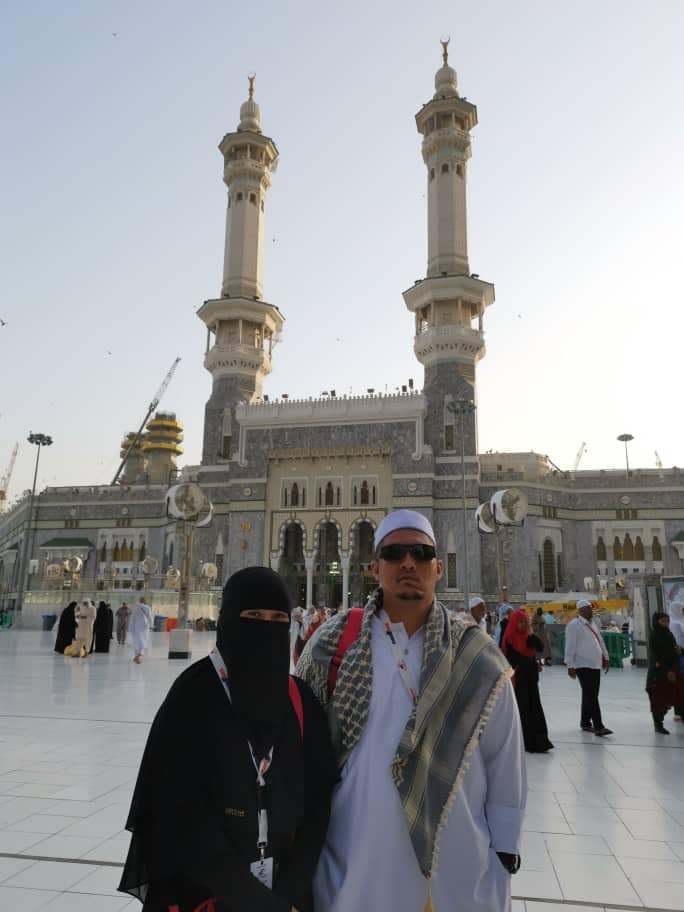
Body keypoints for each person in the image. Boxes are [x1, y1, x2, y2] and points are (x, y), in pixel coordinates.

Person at [296, 509, 527, 912]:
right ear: (375, 568)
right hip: (352, 862)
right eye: (394, 553)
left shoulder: (476, 657)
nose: (408, 563)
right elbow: (298, 744)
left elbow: (504, 757)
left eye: (420, 553)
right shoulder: (332, 644)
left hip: (456, 867)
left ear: (438, 568)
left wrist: (506, 846)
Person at [119, 566, 336, 912]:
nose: (266, 627)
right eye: (253, 616)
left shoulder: (299, 701)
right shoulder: (193, 696)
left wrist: (291, 892)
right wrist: (259, 904)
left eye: (278, 618)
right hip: (206, 896)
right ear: (229, 620)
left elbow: (318, 805)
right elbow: (181, 818)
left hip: (287, 894)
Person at [501, 609, 553, 753]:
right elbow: (510, 660)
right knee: (522, 708)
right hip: (519, 680)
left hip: (531, 678)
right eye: (520, 621)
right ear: (514, 622)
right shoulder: (510, 638)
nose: (524, 624)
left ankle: (540, 741)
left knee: (535, 707)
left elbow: (540, 648)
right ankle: (524, 741)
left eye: (525, 621)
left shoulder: (528, 636)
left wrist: (534, 639)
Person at [564, 599, 612, 736]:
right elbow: (570, 646)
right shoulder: (574, 625)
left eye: (591, 608)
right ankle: (599, 726)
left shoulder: (592, 623)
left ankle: (585, 722)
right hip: (582, 665)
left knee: (590, 695)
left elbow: (600, 640)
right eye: (588, 608)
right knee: (592, 696)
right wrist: (570, 665)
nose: (591, 610)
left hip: (595, 664)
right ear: (581, 610)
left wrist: (606, 657)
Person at [646, 611, 682, 734]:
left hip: (672, 670)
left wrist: (680, 651)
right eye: (663, 621)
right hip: (659, 672)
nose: (666, 623)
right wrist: (667, 670)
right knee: (658, 699)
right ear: (656, 622)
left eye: (667, 621)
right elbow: (656, 656)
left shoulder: (668, 633)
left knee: (672, 696)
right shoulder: (654, 635)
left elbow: (673, 649)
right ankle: (658, 725)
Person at [668, 601, 684, 720]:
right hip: (680, 656)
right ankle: (679, 712)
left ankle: (678, 712)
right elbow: (680, 641)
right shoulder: (676, 623)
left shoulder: (677, 622)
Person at [129, 597, 153, 664]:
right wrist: (151, 625)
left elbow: (132, 618)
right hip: (144, 627)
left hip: (136, 627)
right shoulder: (147, 608)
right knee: (143, 641)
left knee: (136, 642)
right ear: (145, 601)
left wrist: (130, 627)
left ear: (139, 601)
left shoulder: (135, 607)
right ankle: (138, 656)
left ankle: (136, 655)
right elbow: (150, 617)